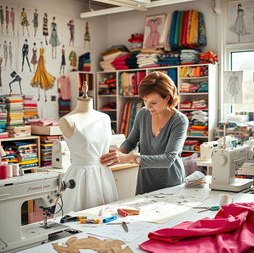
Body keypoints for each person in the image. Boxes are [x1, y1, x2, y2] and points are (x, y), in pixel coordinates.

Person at [100, 71, 189, 194]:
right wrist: (118, 154)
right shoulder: (143, 114)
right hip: (146, 182)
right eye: (145, 101)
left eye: (153, 103)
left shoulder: (179, 121)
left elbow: (168, 159)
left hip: (171, 184)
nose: (148, 107)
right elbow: (131, 142)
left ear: (167, 97)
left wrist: (129, 158)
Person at [58, 81, 118, 214]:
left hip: (104, 174)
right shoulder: (68, 120)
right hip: (81, 177)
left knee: (108, 219)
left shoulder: (105, 118)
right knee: (79, 219)